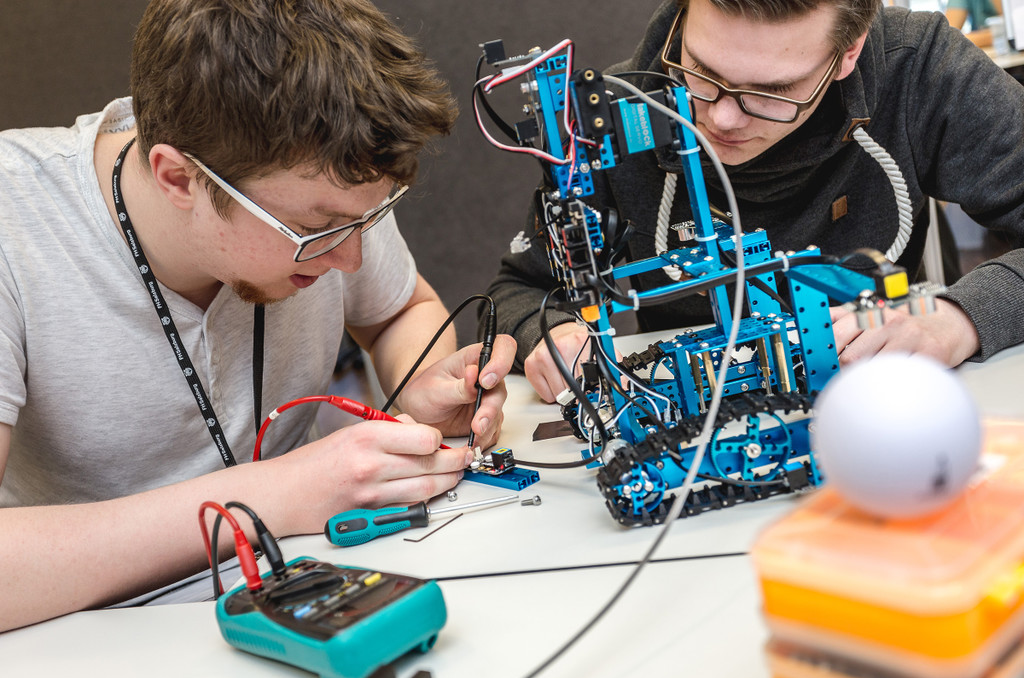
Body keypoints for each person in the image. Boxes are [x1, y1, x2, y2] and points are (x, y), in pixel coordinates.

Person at [0, 0, 516, 632]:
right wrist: (276, 494)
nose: (351, 259)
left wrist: (421, 381)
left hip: (311, 576)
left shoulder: (330, 179)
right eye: (314, 229)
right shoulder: (14, 222)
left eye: (367, 219)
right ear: (178, 179)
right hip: (89, 631)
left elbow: (399, 311)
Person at [483, 0, 1024, 403]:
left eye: (772, 91)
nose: (721, 118)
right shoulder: (614, 121)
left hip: (878, 409)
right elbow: (520, 288)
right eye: (702, 73)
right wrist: (553, 334)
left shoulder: (920, 68)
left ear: (848, 53)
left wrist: (961, 317)